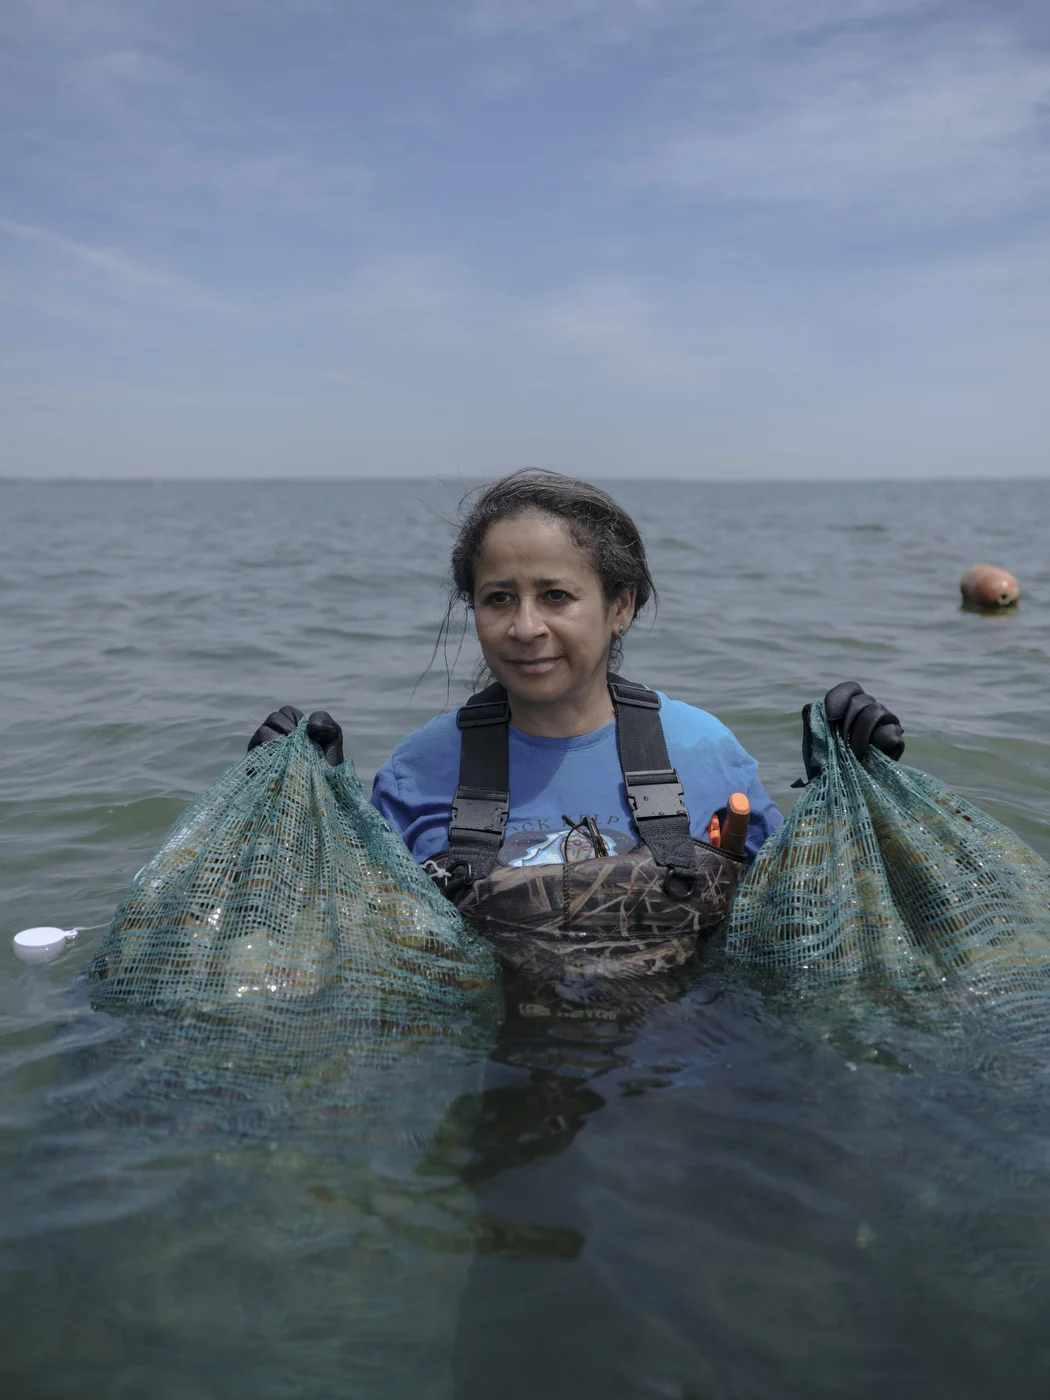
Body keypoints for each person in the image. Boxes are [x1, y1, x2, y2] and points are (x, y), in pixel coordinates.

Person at [249, 471, 903, 980]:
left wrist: (856, 805)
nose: (526, 627)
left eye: (556, 596)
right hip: (500, 1080)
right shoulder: (419, 769)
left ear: (620, 606)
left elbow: (803, 924)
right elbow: (348, 941)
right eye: (498, 597)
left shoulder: (704, 752)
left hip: (683, 1079)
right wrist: (309, 819)